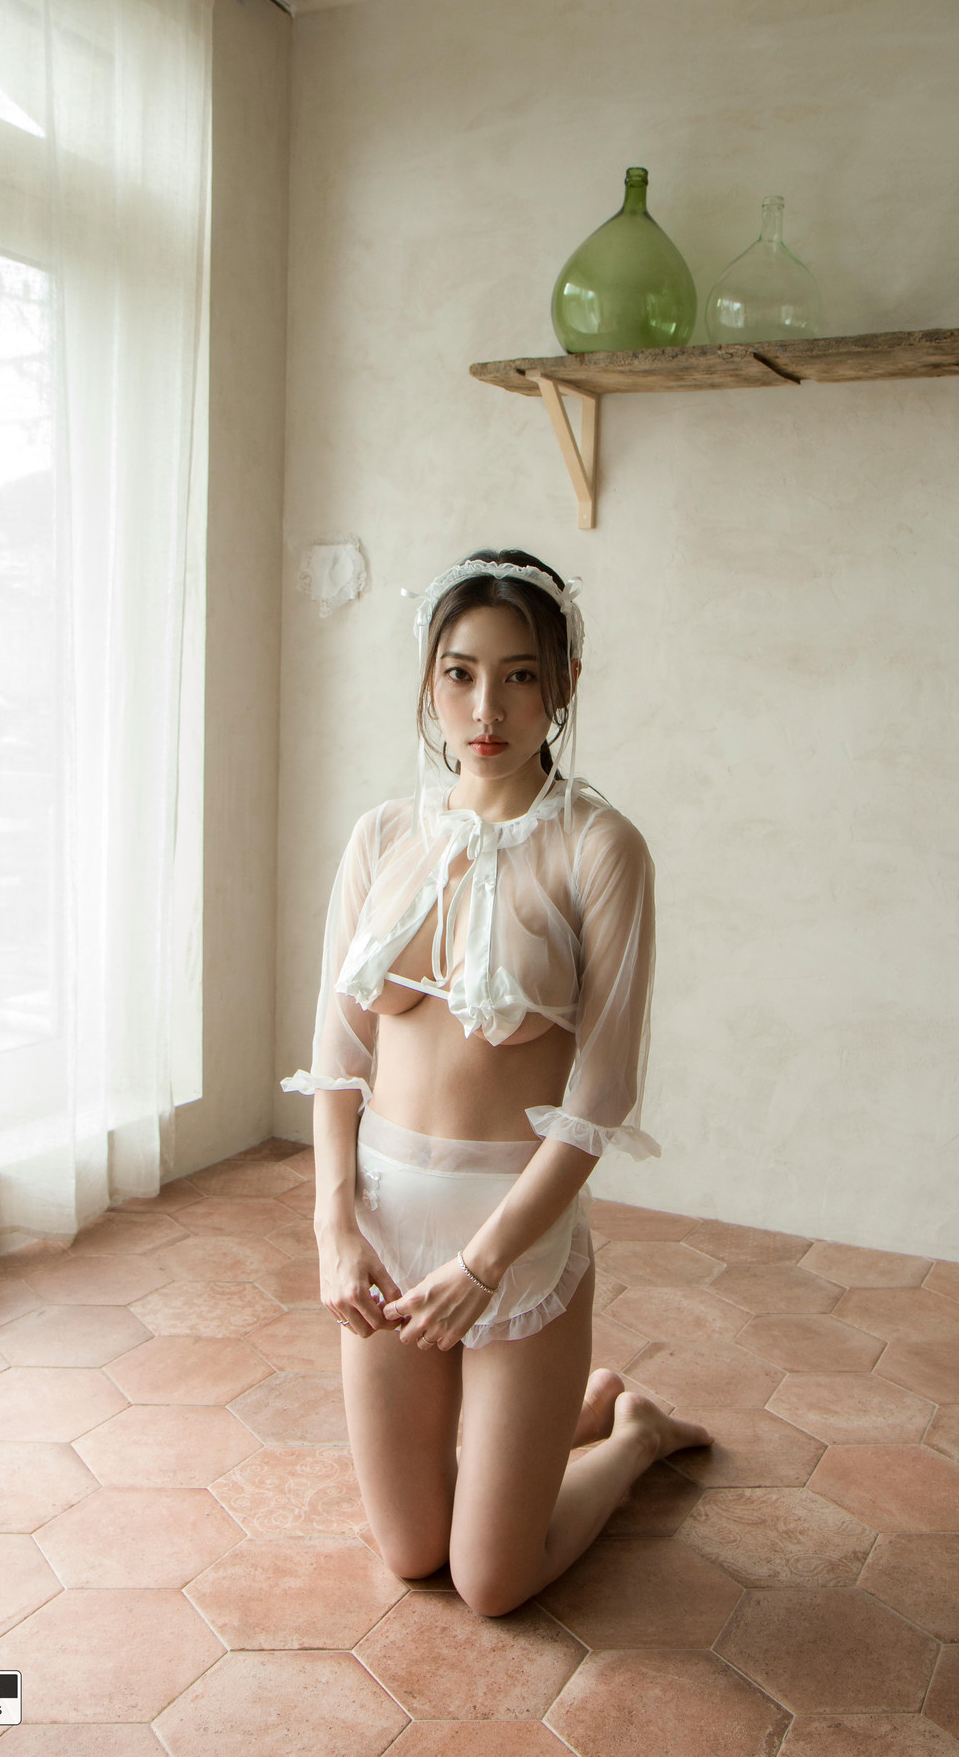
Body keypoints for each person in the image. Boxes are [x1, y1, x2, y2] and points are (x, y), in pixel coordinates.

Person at [282, 549, 708, 1617]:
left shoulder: (601, 848)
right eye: (460, 673)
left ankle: (632, 1435)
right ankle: (547, 1423)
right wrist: (334, 1226)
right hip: (386, 1230)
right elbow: (337, 1058)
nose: (488, 708)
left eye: (520, 675)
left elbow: (600, 1099)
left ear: (564, 684)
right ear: (429, 680)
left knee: (490, 1583)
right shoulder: (382, 837)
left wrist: (483, 1264)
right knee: (410, 1553)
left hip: (517, 1244)